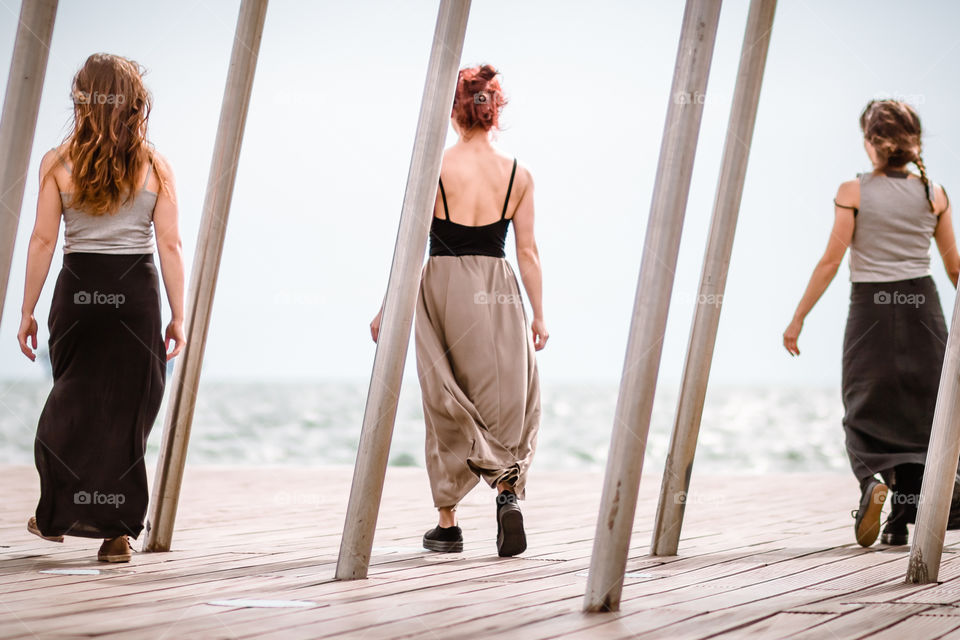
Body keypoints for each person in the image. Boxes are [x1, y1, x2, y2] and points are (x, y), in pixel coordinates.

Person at [371, 64, 546, 557]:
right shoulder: (520, 173)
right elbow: (529, 253)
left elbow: (409, 245)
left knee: (446, 396)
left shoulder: (434, 167)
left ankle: (447, 524)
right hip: (499, 287)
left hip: (443, 283)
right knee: (508, 396)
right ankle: (506, 491)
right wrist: (539, 314)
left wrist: (388, 306)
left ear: (455, 111)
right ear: (495, 113)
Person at [16, 53, 185, 563]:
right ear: (135, 103)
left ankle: (56, 515)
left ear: (82, 99)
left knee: (71, 400)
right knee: (127, 412)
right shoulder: (156, 165)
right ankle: (117, 532)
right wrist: (181, 314)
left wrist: (25, 310)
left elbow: (44, 240)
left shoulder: (57, 162)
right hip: (136, 293)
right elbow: (171, 245)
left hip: (79, 290)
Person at [784, 99, 959, 547]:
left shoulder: (854, 191)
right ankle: (900, 521)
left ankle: (870, 486)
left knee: (864, 411)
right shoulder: (934, 194)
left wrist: (798, 317)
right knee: (922, 417)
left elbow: (830, 260)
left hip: (871, 311)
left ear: (870, 144)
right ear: (913, 141)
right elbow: (955, 268)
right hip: (925, 309)